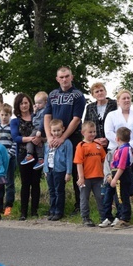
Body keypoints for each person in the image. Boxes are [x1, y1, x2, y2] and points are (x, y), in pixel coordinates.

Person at [43, 66, 86, 216]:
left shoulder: (78, 95)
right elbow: (47, 115)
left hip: (71, 137)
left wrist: (62, 138)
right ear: (57, 79)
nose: (64, 79)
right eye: (61, 77)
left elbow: (76, 119)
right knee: (54, 170)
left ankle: (80, 205)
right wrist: (49, 137)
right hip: (53, 137)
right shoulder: (53, 94)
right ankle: (55, 207)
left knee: (74, 170)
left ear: (72, 77)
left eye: (67, 76)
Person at [104, 89, 133, 201]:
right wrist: (122, 145)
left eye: (128, 98)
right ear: (118, 101)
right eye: (124, 98)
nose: (126, 100)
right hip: (116, 152)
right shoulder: (111, 115)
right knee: (116, 178)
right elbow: (108, 132)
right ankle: (115, 205)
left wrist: (129, 146)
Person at [11, 93, 42, 220]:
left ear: (30, 103)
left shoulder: (37, 117)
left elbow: (44, 131)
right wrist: (31, 138)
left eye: (26, 102)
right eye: (21, 103)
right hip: (23, 154)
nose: (24, 105)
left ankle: (34, 210)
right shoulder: (15, 121)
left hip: (38, 154)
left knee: (36, 183)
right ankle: (23, 212)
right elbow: (15, 137)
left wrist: (40, 139)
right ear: (18, 106)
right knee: (25, 183)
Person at [74, 121, 107, 227]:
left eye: (94, 132)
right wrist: (81, 177)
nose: (92, 134)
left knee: (101, 197)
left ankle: (104, 217)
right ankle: (85, 218)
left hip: (98, 177)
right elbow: (79, 162)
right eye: (90, 132)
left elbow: (103, 160)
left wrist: (105, 174)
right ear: (83, 132)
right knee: (84, 198)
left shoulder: (98, 145)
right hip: (86, 178)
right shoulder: (81, 146)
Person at [43, 119, 74, 221]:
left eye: (58, 130)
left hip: (60, 170)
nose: (56, 133)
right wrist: (45, 169)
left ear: (63, 129)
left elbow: (69, 158)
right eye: (54, 131)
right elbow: (46, 155)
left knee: (59, 191)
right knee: (51, 191)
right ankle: (52, 210)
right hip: (50, 170)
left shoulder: (66, 143)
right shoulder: (48, 143)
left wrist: (68, 172)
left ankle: (59, 212)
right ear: (50, 131)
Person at [106, 127, 133, 228]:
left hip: (122, 175)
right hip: (116, 173)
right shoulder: (120, 149)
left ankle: (125, 218)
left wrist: (115, 179)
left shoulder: (125, 149)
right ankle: (121, 215)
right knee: (118, 197)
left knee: (122, 197)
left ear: (117, 138)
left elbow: (122, 166)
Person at [83, 82, 117, 151]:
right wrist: (94, 139)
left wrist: (108, 139)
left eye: (101, 90)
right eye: (97, 92)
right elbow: (86, 125)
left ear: (105, 92)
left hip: (113, 143)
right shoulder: (90, 107)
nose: (100, 93)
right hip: (95, 142)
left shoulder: (114, 104)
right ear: (93, 95)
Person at [0, 104, 17, 216]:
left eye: (6, 115)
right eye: (2, 114)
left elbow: (15, 142)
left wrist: (9, 154)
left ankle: (8, 205)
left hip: (9, 158)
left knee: (9, 182)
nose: (4, 117)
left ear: (10, 115)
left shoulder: (12, 128)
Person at [20, 91, 47, 168]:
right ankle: (41, 159)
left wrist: (40, 130)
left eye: (40, 103)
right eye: (36, 103)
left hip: (39, 128)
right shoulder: (38, 110)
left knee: (30, 140)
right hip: (37, 128)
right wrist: (34, 112)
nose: (37, 105)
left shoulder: (45, 111)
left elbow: (43, 121)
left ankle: (29, 155)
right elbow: (33, 119)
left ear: (46, 102)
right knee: (37, 143)